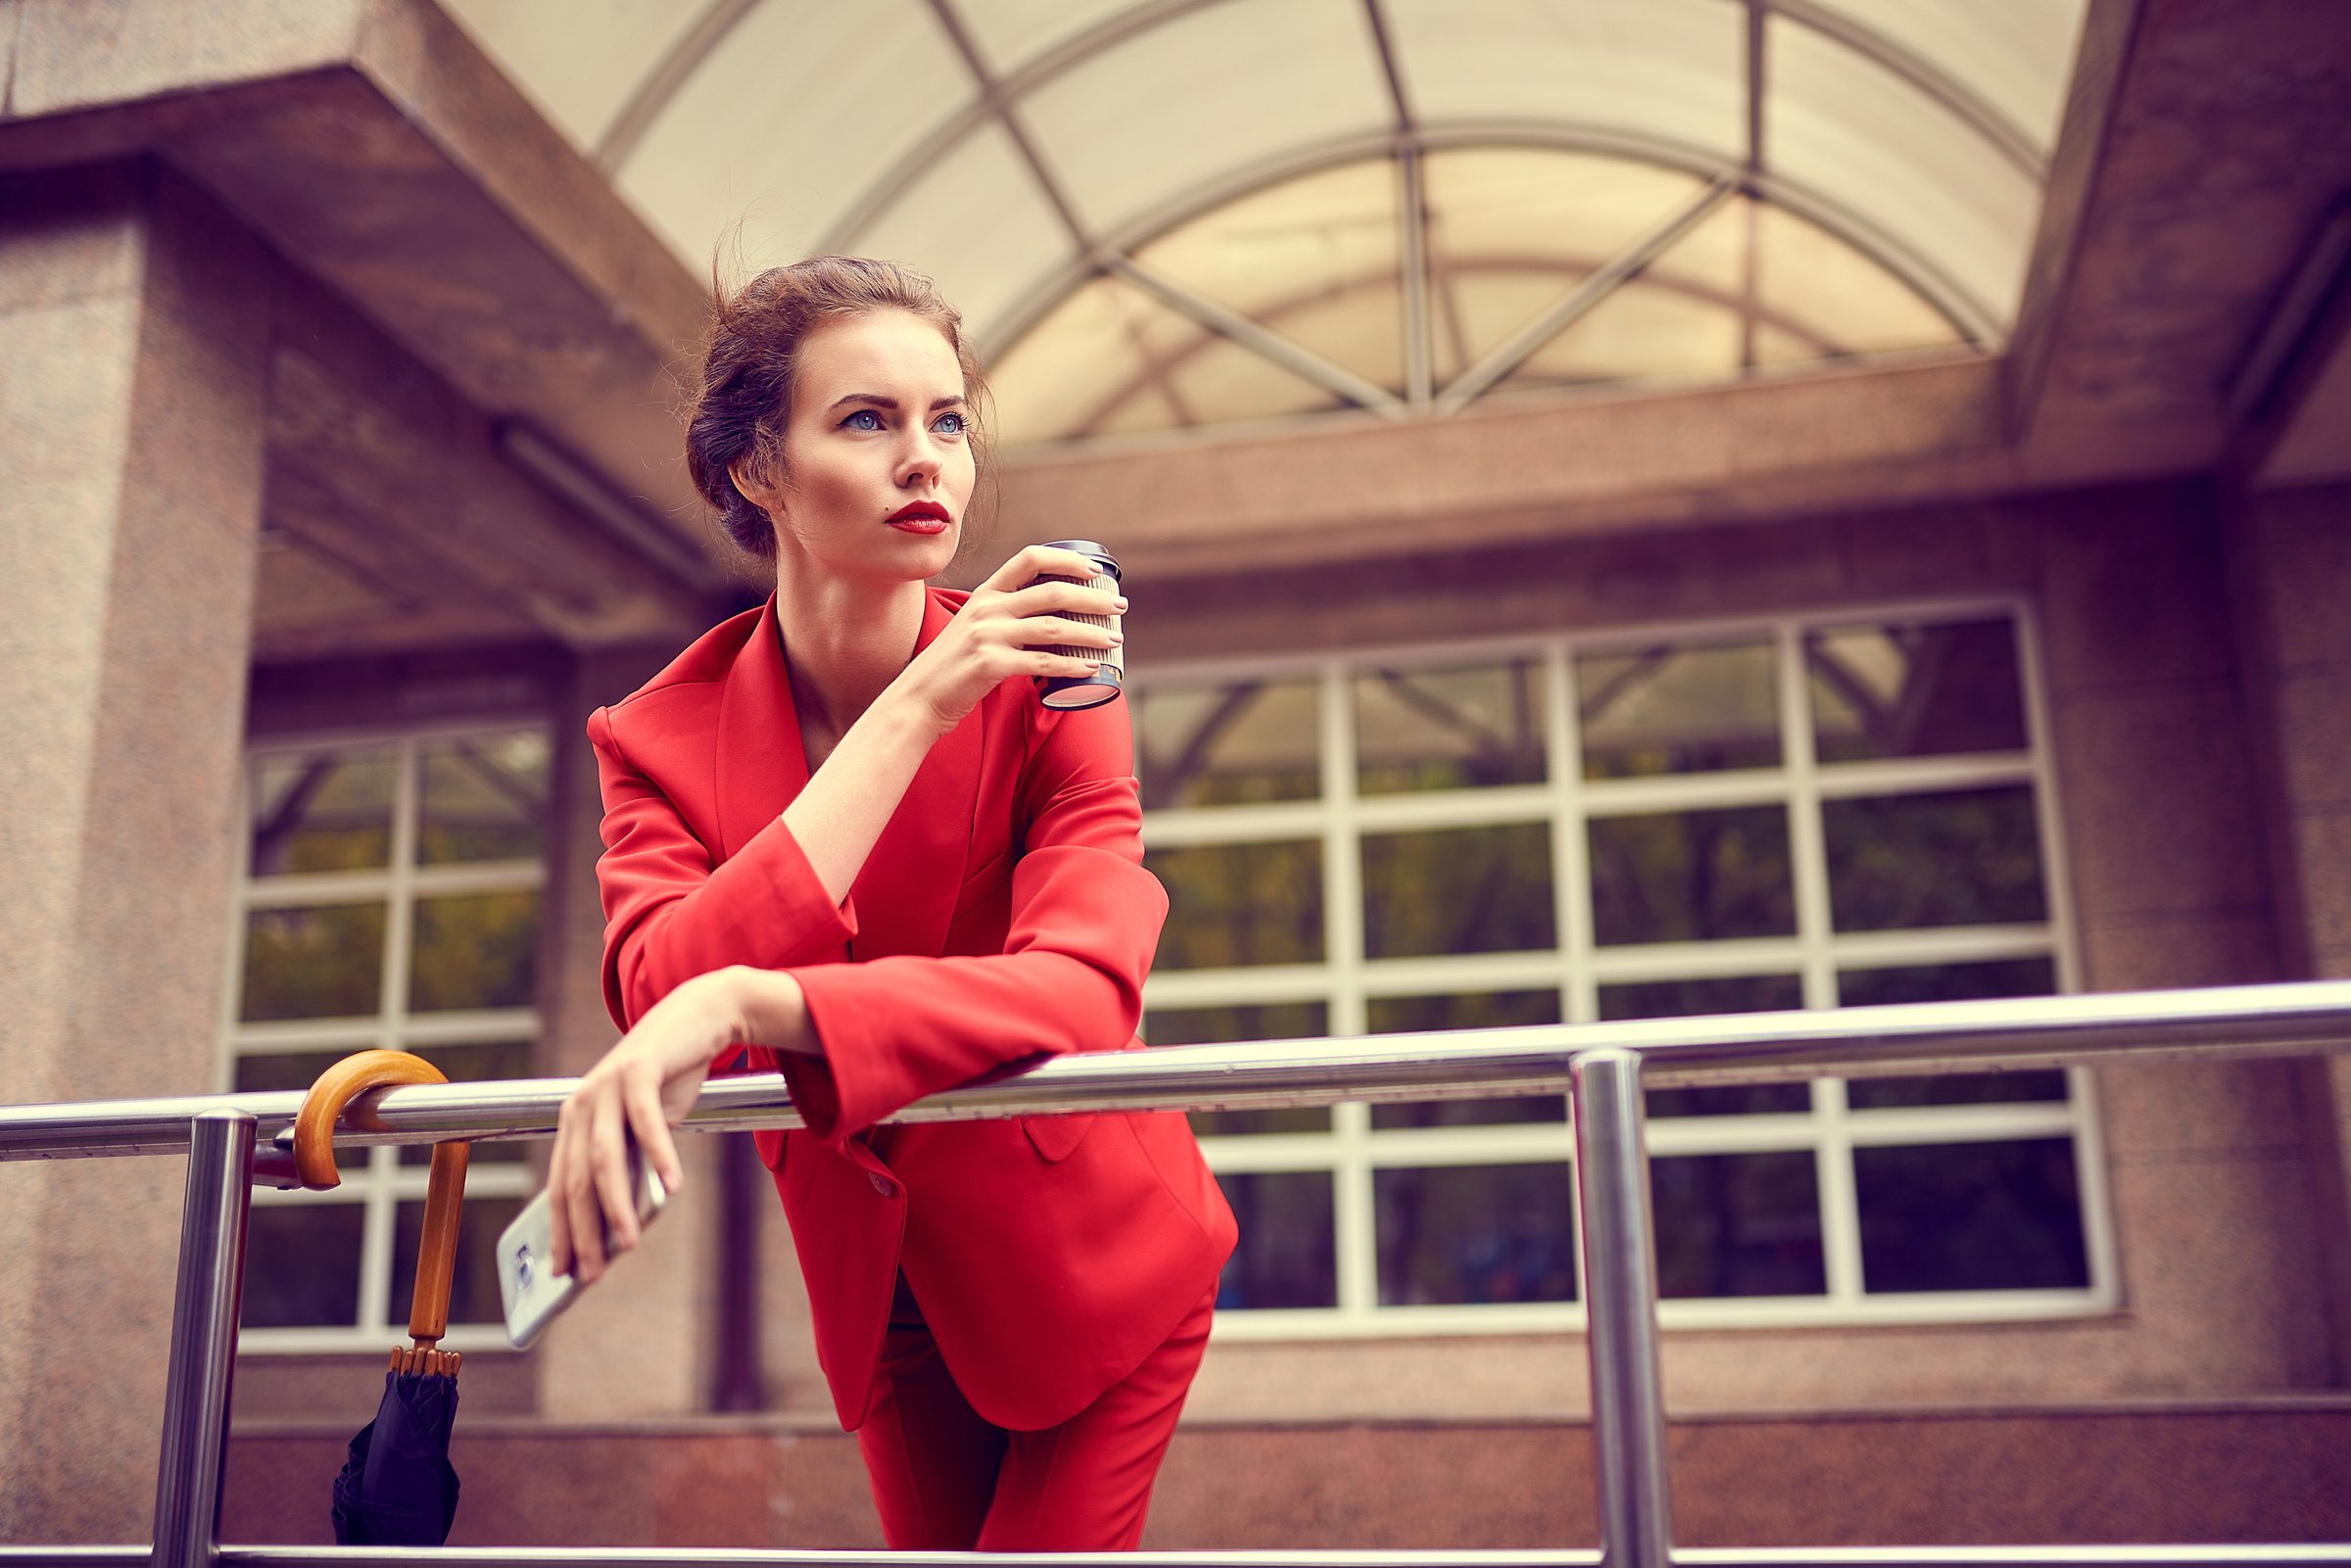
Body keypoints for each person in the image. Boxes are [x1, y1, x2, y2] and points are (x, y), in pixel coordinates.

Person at [542, 255, 1237, 1552]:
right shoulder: (652, 738)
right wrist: (919, 704)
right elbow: (656, 986)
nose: (927, 460)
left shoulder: (1050, 679)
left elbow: (1085, 987)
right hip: (885, 1291)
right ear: (760, 468)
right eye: (867, 419)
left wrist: (762, 1001)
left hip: (1103, 1255)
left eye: (949, 419)